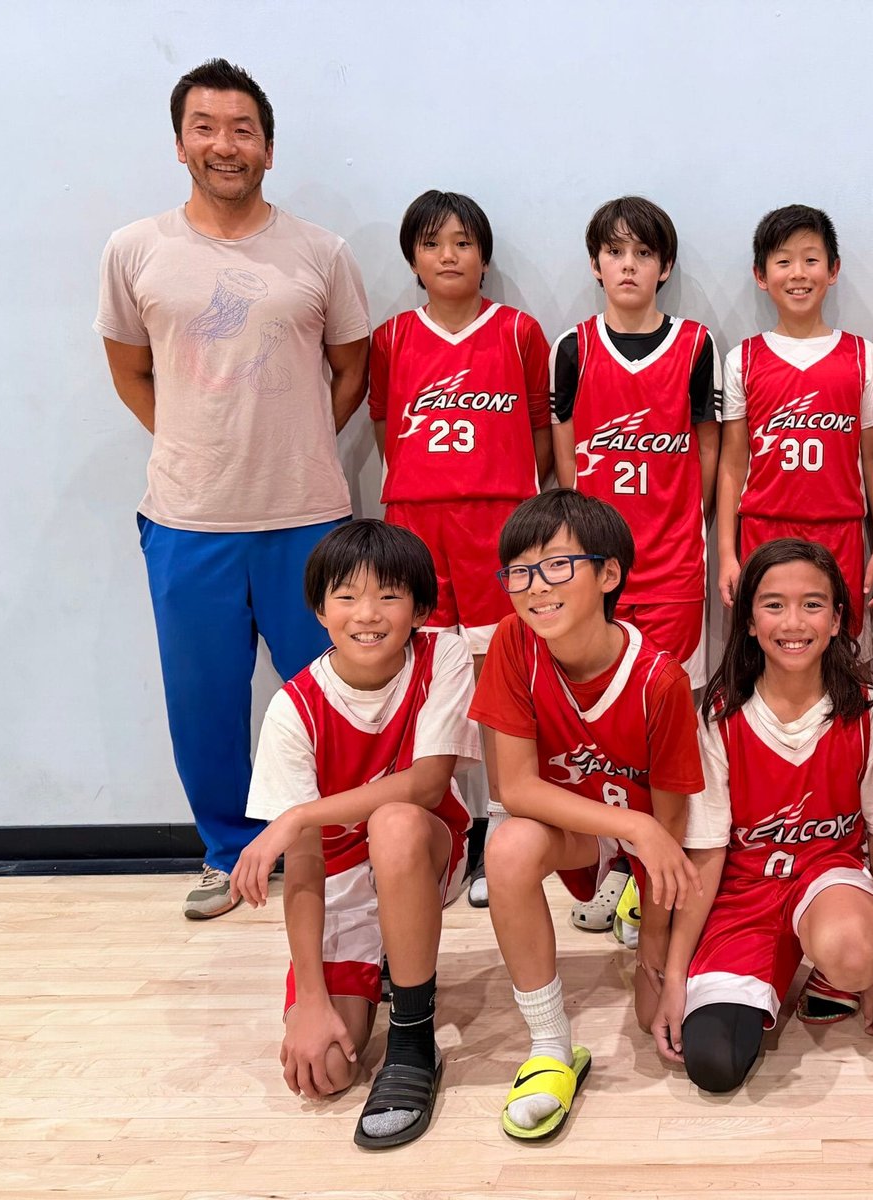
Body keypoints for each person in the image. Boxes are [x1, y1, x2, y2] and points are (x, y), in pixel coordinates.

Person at [95, 58, 370, 918]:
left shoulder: (321, 253)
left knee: (340, 690)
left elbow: (352, 369)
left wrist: (296, 443)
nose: (226, 144)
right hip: (187, 520)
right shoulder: (135, 250)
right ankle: (226, 851)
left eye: (243, 130)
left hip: (308, 519)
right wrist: (197, 442)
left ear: (269, 149)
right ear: (181, 144)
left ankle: (346, 853)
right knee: (204, 704)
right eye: (206, 128)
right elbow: (130, 371)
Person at [229, 519, 479, 1149]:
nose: (367, 614)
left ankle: (413, 1038)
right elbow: (305, 865)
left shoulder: (442, 656)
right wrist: (311, 1001)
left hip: (426, 848)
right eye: (346, 596)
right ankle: (383, 959)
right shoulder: (294, 709)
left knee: (394, 821)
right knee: (326, 1070)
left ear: (419, 610)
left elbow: (428, 785)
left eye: (389, 596)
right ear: (320, 610)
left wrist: (297, 815)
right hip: (339, 874)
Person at [469, 489, 704, 1140]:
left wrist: (655, 945)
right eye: (520, 571)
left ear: (608, 574)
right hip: (598, 828)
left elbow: (671, 826)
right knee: (508, 847)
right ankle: (550, 1047)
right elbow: (515, 787)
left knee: (656, 1016)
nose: (535, 587)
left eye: (556, 565)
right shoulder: (515, 641)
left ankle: (633, 904)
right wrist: (631, 827)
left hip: (657, 845)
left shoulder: (660, 680)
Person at [652, 540, 873, 1093]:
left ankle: (839, 966)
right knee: (712, 1065)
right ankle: (785, 965)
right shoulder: (717, 717)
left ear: (837, 619)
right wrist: (675, 976)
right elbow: (707, 854)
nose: (793, 622)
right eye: (773, 605)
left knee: (853, 952)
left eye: (813, 604)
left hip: (831, 878)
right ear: (747, 621)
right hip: (746, 892)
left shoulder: (869, 707)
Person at [368, 189, 553, 908]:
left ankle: (500, 822)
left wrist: (511, 495)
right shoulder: (391, 338)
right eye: (432, 243)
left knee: (497, 670)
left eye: (463, 242)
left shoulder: (519, 332)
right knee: (429, 673)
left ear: (484, 256)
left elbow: (538, 428)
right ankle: (446, 825)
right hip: (417, 522)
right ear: (413, 258)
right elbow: (384, 426)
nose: (448, 255)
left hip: (497, 522)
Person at [550, 196, 721, 688]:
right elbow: (567, 458)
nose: (628, 265)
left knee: (672, 696)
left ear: (664, 267)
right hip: (596, 564)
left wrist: (690, 520)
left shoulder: (696, 344)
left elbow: (708, 448)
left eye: (644, 253)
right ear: (595, 264)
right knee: (598, 696)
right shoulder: (572, 347)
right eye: (615, 252)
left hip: (674, 566)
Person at [715, 206, 873, 639]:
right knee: (768, 648)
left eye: (811, 259)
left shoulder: (862, 356)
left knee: (839, 650)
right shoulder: (743, 359)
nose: (798, 273)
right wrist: (726, 554)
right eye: (783, 261)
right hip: (763, 528)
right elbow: (732, 465)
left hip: (841, 530)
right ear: (761, 275)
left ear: (833, 270)